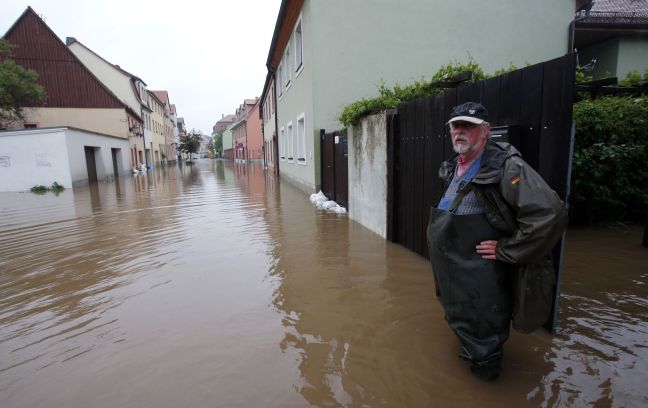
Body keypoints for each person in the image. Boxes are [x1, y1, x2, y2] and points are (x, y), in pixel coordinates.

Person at [427, 101, 568, 381]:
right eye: (456, 125)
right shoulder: (453, 167)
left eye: (469, 125)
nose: (460, 131)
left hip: (482, 284)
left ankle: (487, 383)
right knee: (465, 329)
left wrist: (508, 250)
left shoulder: (507, 168)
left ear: (486, 131)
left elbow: (550, 214)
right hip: (456, 279)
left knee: (485, 342)